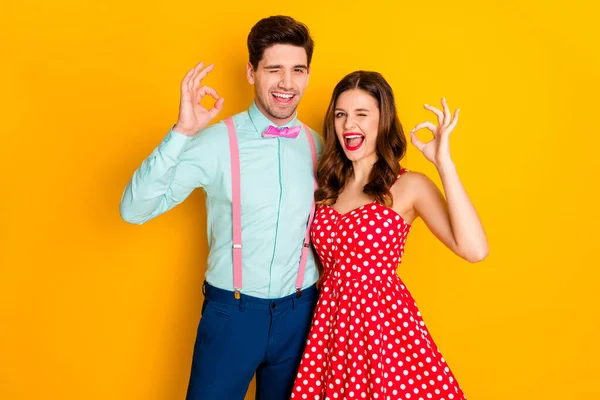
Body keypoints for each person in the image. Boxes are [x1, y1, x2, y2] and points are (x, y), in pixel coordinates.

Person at [119, 15, 323, 400]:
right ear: (251, 72)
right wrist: (182, 133)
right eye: (274, 69)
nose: (287, 83)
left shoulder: (320, 145)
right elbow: (134, 209)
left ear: (308, 75)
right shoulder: (214, 141)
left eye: (297, 70)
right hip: (232, 315)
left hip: (302, 315)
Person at [291, 71, 488, 400]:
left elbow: (474, 249)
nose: (348, 125)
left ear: (383, 121)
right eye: (341, 115)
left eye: (361, 114)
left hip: (384, 333)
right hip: (330, 334)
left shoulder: (408, 185)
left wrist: (444, 162)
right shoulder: (327, 186)